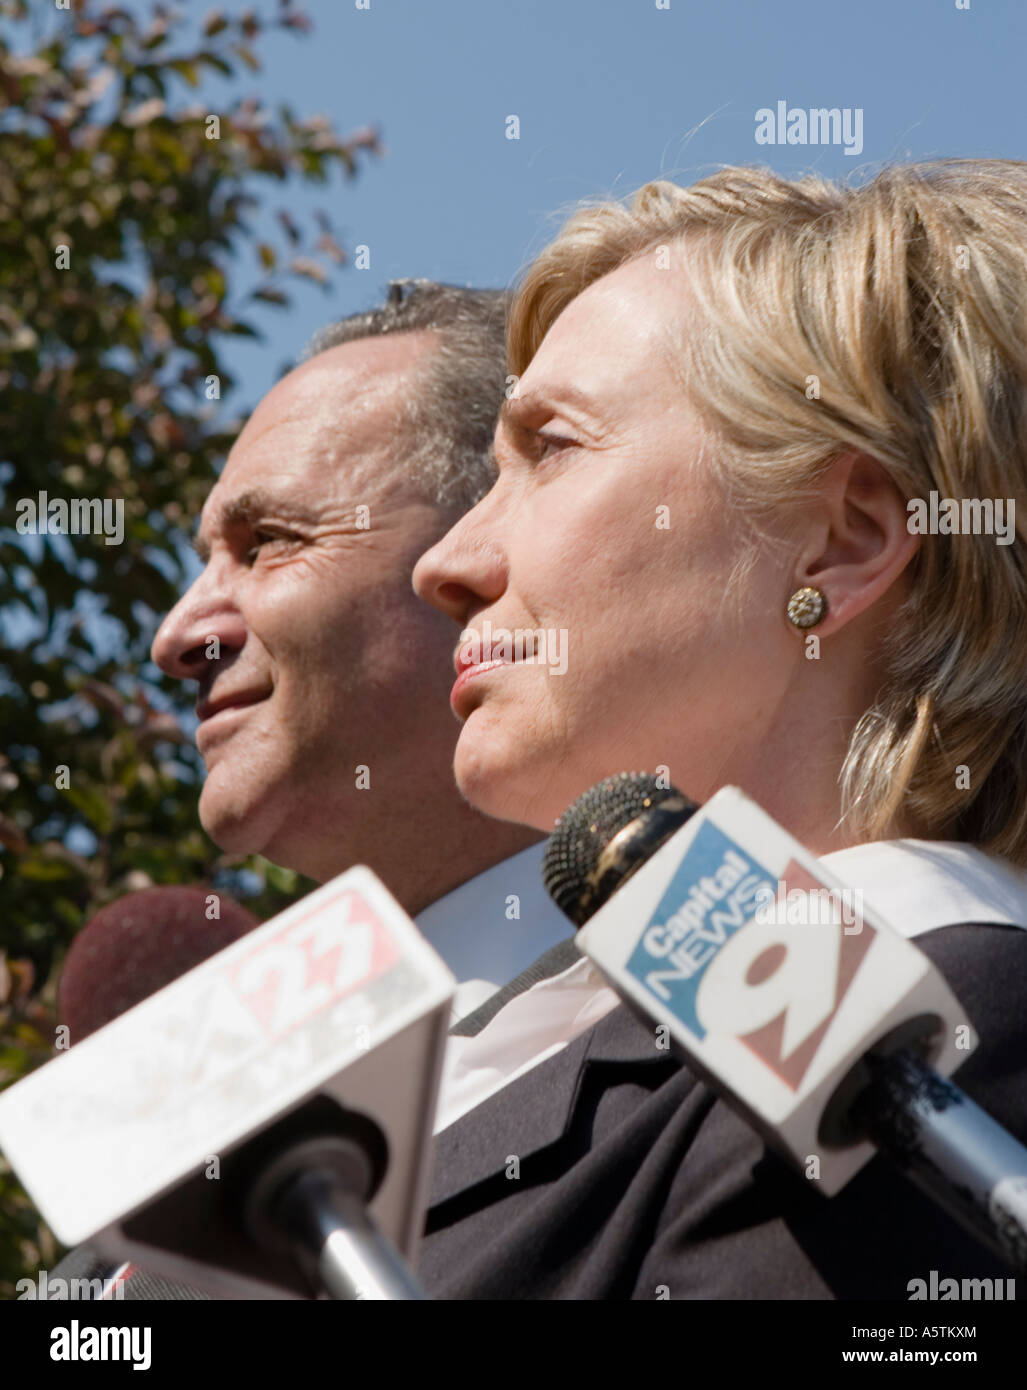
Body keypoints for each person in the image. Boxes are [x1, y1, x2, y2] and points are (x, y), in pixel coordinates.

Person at [410, 161, 1027, 1298]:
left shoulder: (927, 1039)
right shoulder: (566, 1036)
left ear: (840, 544)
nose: (445, 563)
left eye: (550, 449)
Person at [47, 281, 570, 1301]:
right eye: (205, 561)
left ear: (483, 560)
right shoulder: (168, 1122)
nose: (177, 635)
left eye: (268, 542)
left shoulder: (770, 1032)